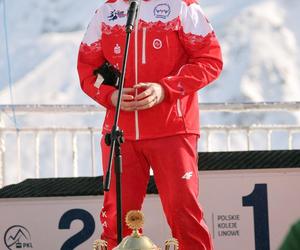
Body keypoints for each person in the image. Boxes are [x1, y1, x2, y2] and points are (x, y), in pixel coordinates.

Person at [77, 0, 223, 249]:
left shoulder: (182, 6)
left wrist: (166, 89)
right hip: (120, 134)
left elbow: (210, 60)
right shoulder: (106, 12)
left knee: (184, 215)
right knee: (117, 221)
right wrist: (110, 95)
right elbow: (88, 69)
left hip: (173, 130)